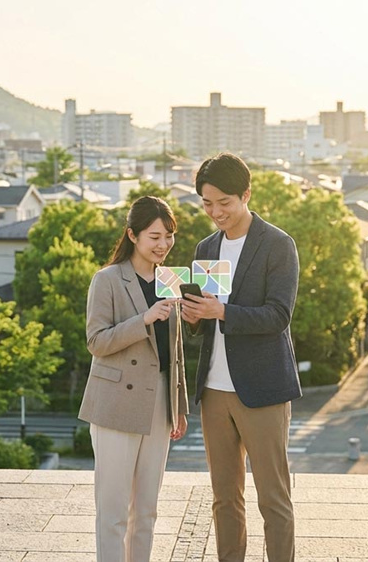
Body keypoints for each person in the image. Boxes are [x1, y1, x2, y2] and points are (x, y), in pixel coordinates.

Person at [181, 153, 301, 562]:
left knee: (273, 498)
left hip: (263, 388)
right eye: (207, 203)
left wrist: (223, 312)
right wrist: (192, 314)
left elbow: (279, 314)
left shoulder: (277, 244)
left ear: (246, 194)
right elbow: (203, 321)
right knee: (223, 498)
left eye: (224, 203)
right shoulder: (206, 246)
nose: (216, 212)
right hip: (213, 389)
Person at [79, 195, 189, 562]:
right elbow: (96, 341)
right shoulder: (107, 279)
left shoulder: (171, 279)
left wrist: (180, 407)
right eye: (155, 236)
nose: (163, 244)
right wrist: (143, 319)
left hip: (159, 402)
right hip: (115, 404)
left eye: (169, 236)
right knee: (112, 511)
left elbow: (176, 353)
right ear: (133, 235)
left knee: (147, 509)